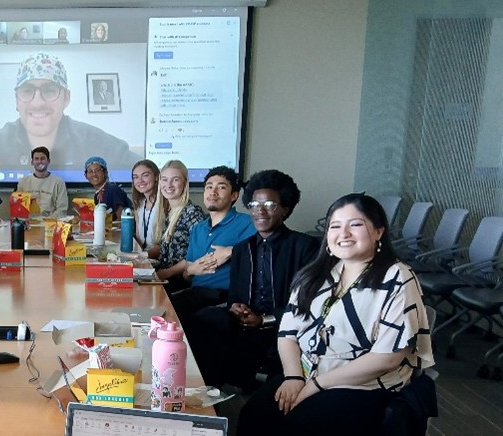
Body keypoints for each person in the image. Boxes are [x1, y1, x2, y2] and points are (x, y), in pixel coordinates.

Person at [238, 194, 434, 436]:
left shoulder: (397, 277)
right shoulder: (317, 273)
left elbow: (387, 358)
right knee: (253, 417)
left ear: (378, 232)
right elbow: (287, 333)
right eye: (335, 226)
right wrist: (293, 377)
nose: (344, 234)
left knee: (298, 427)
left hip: (362, 384)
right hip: (307, 372)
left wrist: (317, 385)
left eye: (356, 224)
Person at [186, 169, 319, 390]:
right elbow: (236, 296)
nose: (260, 212)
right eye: (255, 206)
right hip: (245, 326)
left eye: (269, 205)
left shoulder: (305, 247)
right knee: (203, 321)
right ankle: (208, 397)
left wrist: (263, 320)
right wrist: (237, 308)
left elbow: (308, 303)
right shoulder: (241, 249)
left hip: (283, 328)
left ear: (285, 208)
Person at [0, 53, 141, 170]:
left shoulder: (96, 142)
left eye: (49, 90)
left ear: (66, 98)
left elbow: (141, 169)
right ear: (17, 99)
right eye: (27, 91)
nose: (37, 102)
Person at [172, 165, 256, 321]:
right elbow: (187, 274)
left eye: (221, 187)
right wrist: (190, 271)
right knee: (159, 306)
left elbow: (264, 250)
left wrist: (231, 250)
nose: (213, 192)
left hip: (223, 298)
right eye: (209, 187)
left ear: (234, 196)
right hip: (195, 292)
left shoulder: (247, 223)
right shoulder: (198, 229)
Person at [149, 160, 206, 291]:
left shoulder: (192, 213)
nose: (168, 185)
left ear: (184, 183)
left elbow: (196, 255)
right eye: (164, 179)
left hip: (180, 281)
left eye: (175, 180)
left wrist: (164, 274)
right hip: (163, 275)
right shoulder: (167, 211)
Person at [16, 146, 69, 218]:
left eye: (43, 158)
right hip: (28, 224)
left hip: (50, 225)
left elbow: (62, 210)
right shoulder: (23, 182)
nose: (39, 161)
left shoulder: (58, 183)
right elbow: (18, 207)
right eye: (36, 159)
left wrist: (48, 222)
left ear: (48, 161)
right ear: (32, 162)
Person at [129, 159, 160, 252]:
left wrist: (142, 256)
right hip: (143, 257)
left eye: (145, 175)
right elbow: (139, 238)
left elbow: (164, 247)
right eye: (136, 177)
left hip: (159, 261)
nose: (140, 181)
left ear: (156, 177)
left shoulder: (165, 204)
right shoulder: (139, 204)